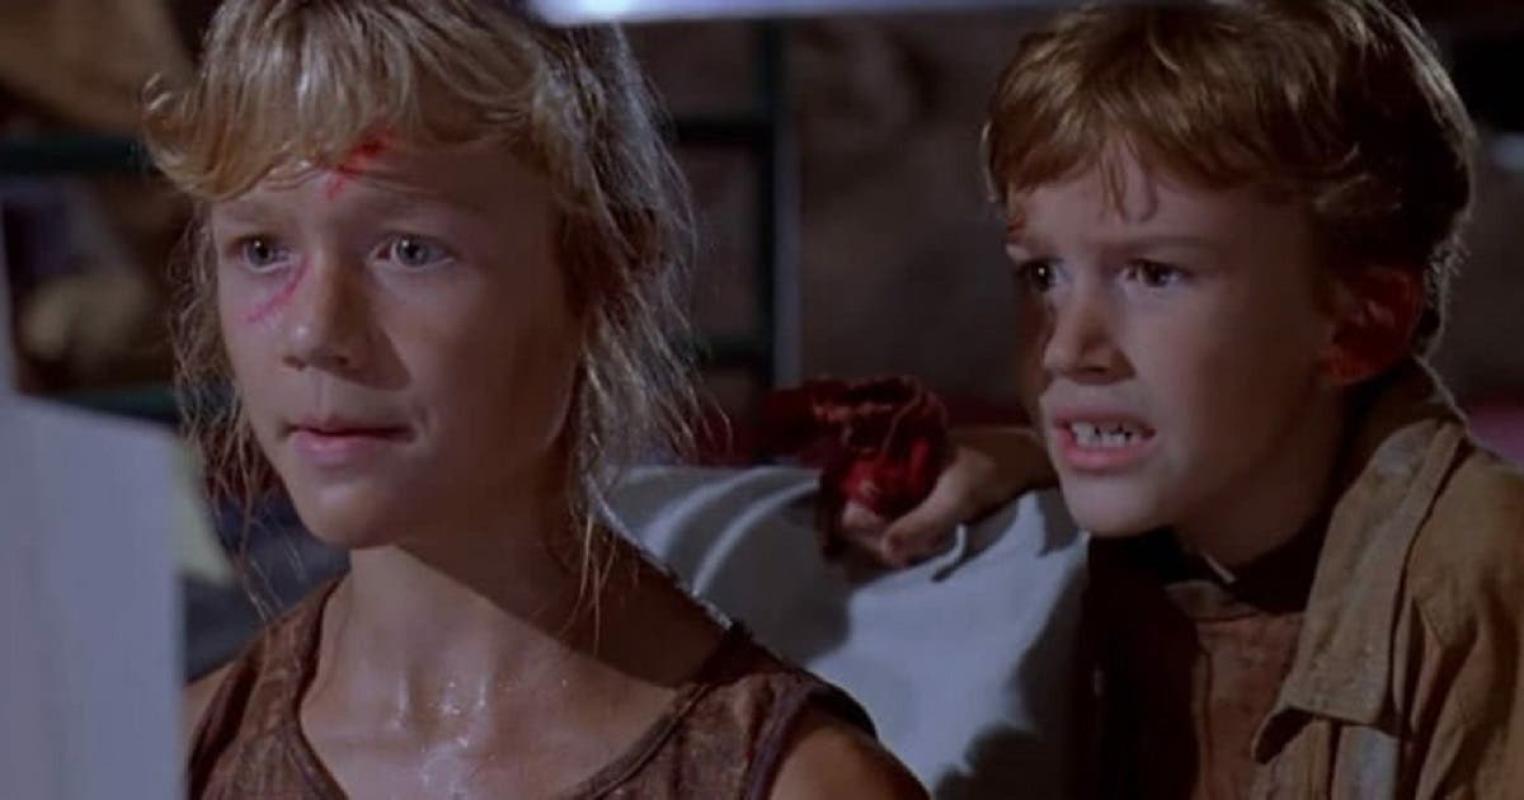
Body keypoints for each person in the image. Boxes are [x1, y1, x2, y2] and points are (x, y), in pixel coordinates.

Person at [146, 2, 925, 797]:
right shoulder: (167, 765)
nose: (313, 331)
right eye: (262, 250)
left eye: (410, 250)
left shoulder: (804, 786)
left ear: (604, 272)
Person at [983, 0, 1524, 795]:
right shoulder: (1104, 557)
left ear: (1359, 323)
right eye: (1042, 274)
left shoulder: (1481, 583)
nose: (1065, 348)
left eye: (1155, 273)